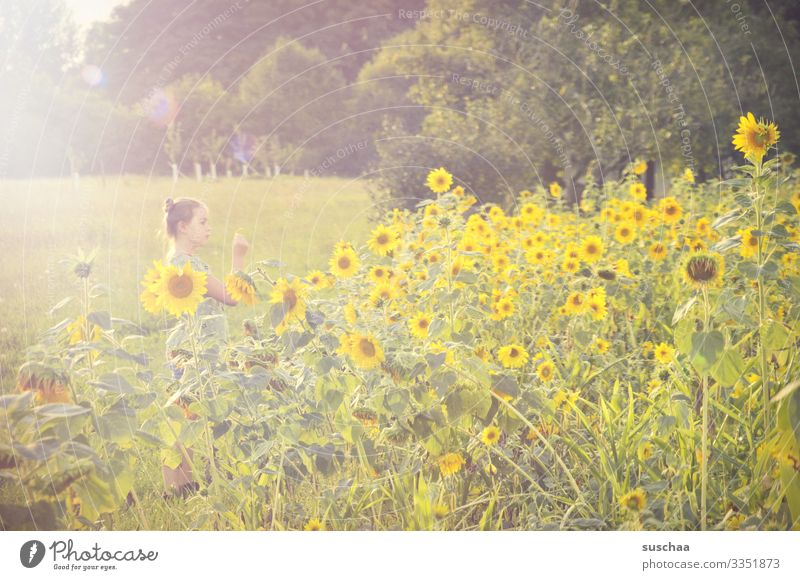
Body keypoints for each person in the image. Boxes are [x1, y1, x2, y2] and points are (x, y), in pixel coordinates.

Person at [161, 197, 250, 498]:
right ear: (183, 226)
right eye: (202, 222)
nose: (209, 228)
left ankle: (187, 483)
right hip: (194, 351)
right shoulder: (188, 263)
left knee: (191, 414)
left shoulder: (178, 259)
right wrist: (239, 256)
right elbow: (231, 296)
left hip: (193, 349)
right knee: (186, 415)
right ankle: (179, 486)